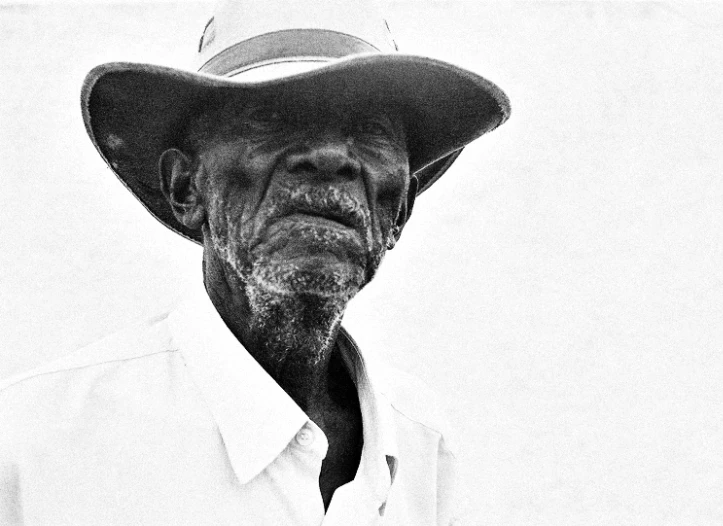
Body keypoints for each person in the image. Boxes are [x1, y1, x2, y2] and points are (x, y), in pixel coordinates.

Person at [0, 0, 509, 524]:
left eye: (368, 130)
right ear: (186, 188)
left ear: (399, 207)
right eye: (275, 119)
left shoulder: (424, 446)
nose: (330, 156)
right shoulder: (34, 449)